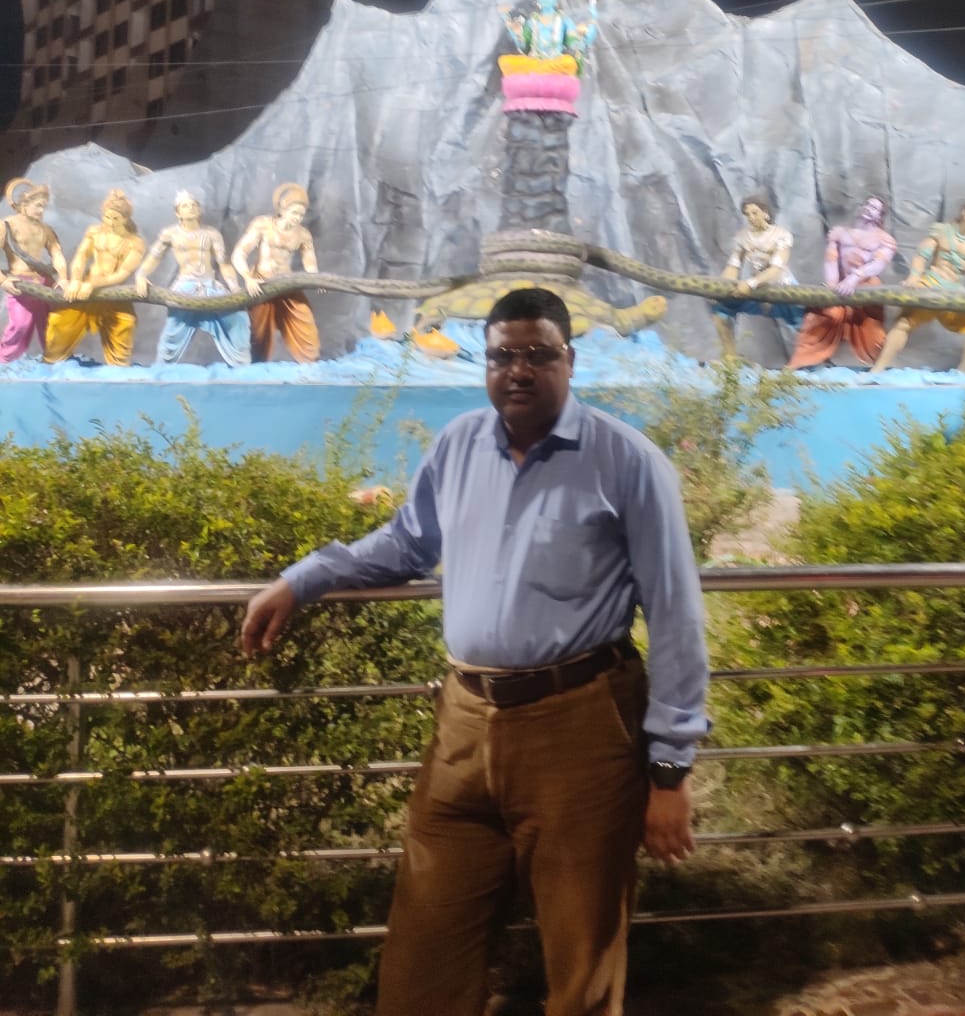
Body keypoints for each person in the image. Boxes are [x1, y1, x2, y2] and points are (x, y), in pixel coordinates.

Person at [241, 286, 708, 1016]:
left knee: (582, 969)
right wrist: (305, 579)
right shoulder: (458, 443)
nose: (518, 370)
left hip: (581, 731)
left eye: (537, 355)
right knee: (424, 957)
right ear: (485, 364)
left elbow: (676, 616)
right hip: (463, 722)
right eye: (502, 357)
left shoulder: (627, 462)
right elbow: (406, 543)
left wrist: (670, 769)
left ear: (569, 360)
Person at [872, 198, 965, 374]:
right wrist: (914, 277)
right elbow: (922, 255)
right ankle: (877, 370)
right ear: (964, 210)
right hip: (931, 283)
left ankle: (962, 373)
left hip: (956, 291)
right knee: (903, 323)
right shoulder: (941, 230)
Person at [135, 190, 251, 366]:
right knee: (173, 331)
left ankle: (243, 368)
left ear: (199, 209)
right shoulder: (170, 233)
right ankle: (161, 369)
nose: (190, 208)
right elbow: (154, 257)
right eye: (185, 206)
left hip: (210, 286)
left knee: (237, 317)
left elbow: (224, 264)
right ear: (177, 212)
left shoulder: (212, 234)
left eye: (194, 205)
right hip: (184, 287)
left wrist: (234, 288)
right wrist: (141, 275)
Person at [788, 195, 897, 368]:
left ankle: (878, 367)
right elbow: (831, 259)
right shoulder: (839, 233)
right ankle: (801, 362)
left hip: (866, 287)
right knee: (826, 315)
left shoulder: (885, 240)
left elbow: (878, 264)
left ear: (880, 215)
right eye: (868, 204)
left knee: (870, 328)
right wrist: (832, 287)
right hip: (839, 284)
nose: (869, 209)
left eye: (875, 208)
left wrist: (854, 278)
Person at [44, 188, 146, 366]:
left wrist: (93, 285)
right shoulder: (95, 232)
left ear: (126, 218)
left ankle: (118, 371)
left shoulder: (135, 243)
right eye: (107, 217)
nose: (110, 222)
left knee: (125, 324)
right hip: (84, 288)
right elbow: (81, 256)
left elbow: (122, 274)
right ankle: (51, 363)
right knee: (60, 321)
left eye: (116, 218)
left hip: (114, 293)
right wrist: (76, 280)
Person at [231, 182, 321, 363]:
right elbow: (239, 253)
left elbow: (310, 262)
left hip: (287, 285)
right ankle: (256, 368)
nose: (297, 218)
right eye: (294, 213)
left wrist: (316, 279)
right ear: (282, 209)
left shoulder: (303, 234)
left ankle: (311, 365)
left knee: (305, 322)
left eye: (301, 214)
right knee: (257, 333)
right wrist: (248, 278)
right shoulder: (263, 225)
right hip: (261, 284)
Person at [710, 191, 804, 358]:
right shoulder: (743, 237)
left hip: (782, 286)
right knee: (721, 309)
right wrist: (723, 287)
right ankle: (730, 357)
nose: (751, 218)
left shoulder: (781, 235)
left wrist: (751, 283)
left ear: (765, 213)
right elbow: (733, 265)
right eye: (748, 214)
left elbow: (776, 268)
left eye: (755, 213)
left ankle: (810, 359)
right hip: (755, 289)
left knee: (804, 323)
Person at [0, 178, 68, 362]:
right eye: (38, 205)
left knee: (50, 325)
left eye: (43, 207)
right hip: (20, 283)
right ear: (24, 203)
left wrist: (63, 277)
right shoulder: (6, 225)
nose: (41, 211)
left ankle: (53, 360)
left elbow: (57, 254)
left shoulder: (46, 229)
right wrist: (3, 281)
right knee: (20, 325)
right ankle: (4, 360)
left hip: (43, 283)